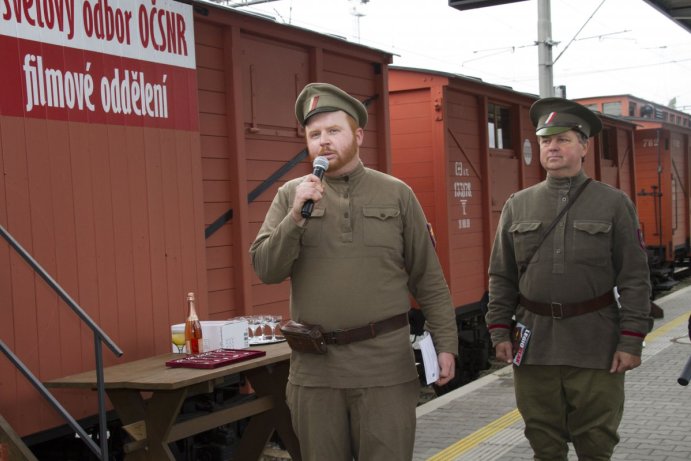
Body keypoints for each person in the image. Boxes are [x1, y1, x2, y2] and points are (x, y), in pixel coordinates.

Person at [250, 82, 458, 461]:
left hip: (384, 368)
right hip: (316, 373)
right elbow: (266, 268)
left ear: (358, 135)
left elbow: (428, 277)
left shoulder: (396, 194)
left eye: (334, 131)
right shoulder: (290, 196)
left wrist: (446, 343)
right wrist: (296, 217)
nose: (323, 141)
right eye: (315, 134)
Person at [486, 97, 652, 460]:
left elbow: (635, 278)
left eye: (562, 139)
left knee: (596, 441)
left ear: (584, 146)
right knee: (543, 440)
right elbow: (501, 274)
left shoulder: (613, 203)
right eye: (546, 140)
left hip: (596, 343)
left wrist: (632, 339)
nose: (553, 147)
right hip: (535, 344)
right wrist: (499, 330)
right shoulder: (518, 204)